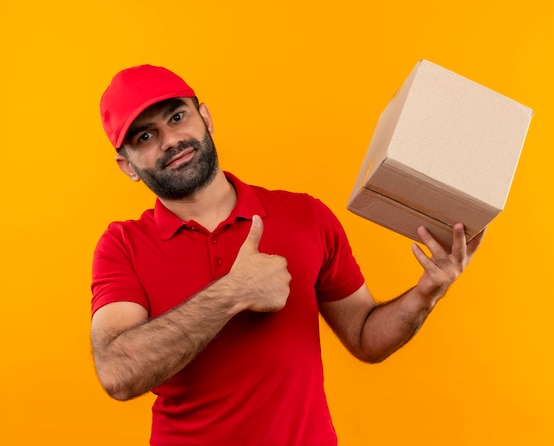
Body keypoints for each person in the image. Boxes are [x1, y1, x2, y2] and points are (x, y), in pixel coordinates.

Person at [91, 64, 484, 446]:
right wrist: (231, 293)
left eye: (177, 116)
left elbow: (366, 337)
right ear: (127, 166)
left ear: (205, 117)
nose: (170, 140)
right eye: (145, 137)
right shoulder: (122, 245)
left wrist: (427, 292)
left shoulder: (305, 216)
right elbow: (117, 372)